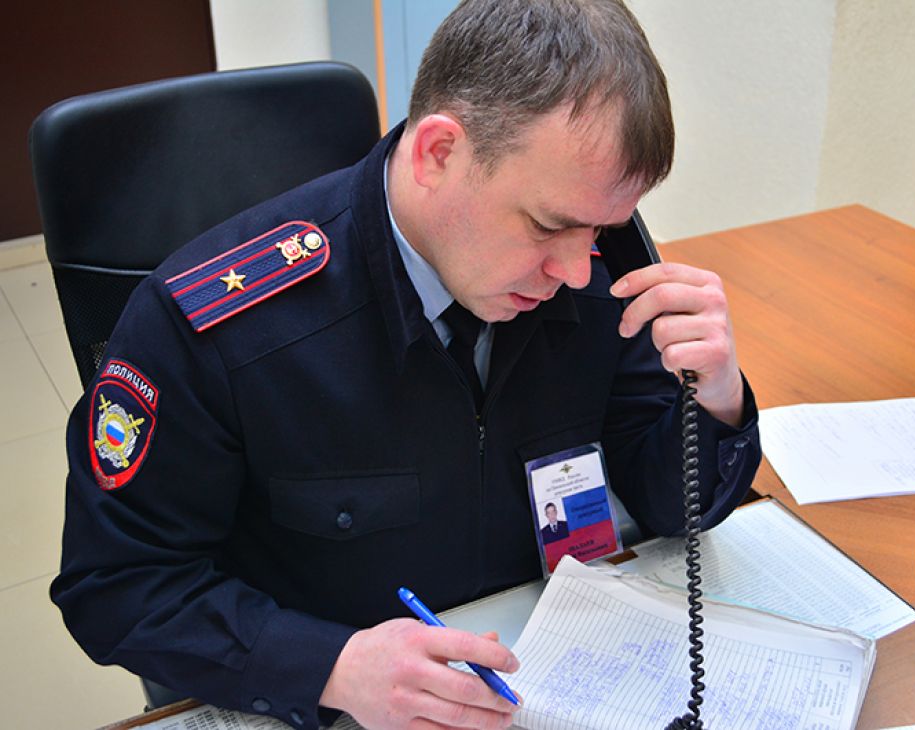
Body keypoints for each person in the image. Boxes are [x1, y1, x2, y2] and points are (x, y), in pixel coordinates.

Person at [50, 1, 762, 729]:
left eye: (602, 227)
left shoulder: (594, 270)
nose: (577, 270)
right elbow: (117, 585)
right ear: (438, 154)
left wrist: (715, 398)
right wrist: (330, 667)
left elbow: (670, 506)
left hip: (550, 666)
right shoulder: (211, 326)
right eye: (549, 226)